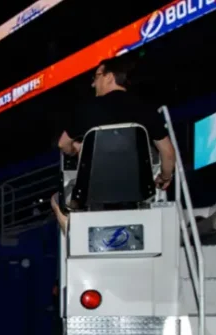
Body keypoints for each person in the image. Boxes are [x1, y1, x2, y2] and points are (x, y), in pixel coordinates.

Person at [53, 56, 176, 229]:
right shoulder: (144, 107)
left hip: (92, 191)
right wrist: (165, 177)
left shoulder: (86, 109)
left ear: (109, 76)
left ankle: (73, 233)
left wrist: (77, 149)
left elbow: (62, 144)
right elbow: (168, 153)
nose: (93, 84)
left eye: (96, 77)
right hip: (139, 190)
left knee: (56, 199)